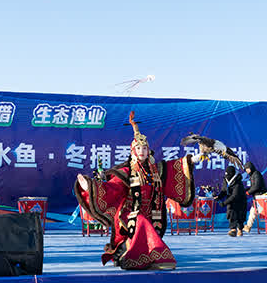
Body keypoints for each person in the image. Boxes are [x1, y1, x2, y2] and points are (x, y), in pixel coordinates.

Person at [74, 111, 196, 269]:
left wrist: (193, 159)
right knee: (141, 222)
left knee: (146, 223)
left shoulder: (156, 170)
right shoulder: (127, 171)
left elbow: (175, 168)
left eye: (144, 148)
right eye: (138, 148)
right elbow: (112, 188)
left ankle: (145, 256)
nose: (142, 151)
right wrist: (89, 186)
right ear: (133, 151)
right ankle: (157, 257)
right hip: (130, 213)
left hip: (152, 212)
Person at [219, 165, 247, 236]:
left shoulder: (238, 182)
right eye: (226, 175)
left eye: (228, 175)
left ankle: (240, 229)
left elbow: (235, 196)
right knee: (231, 213)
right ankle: (233, 229)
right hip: (230, 201)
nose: (227, 176)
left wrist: (224, 203)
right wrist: (219, 197)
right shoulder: (226, 179)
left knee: (240, 216)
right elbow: (224, 190)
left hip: (240, 201)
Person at [243, 160, 267, 231]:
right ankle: (248, 227)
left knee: (266, 212)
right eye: (246, 169)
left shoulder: (256, 174)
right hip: (257, 198)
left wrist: (248, 192)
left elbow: (257, 186)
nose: (247, 171)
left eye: (247, 169)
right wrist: (244, 190)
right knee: (253, 211)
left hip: (261, 196)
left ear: (251, 167)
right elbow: (252, 187)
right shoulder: (252, 176)